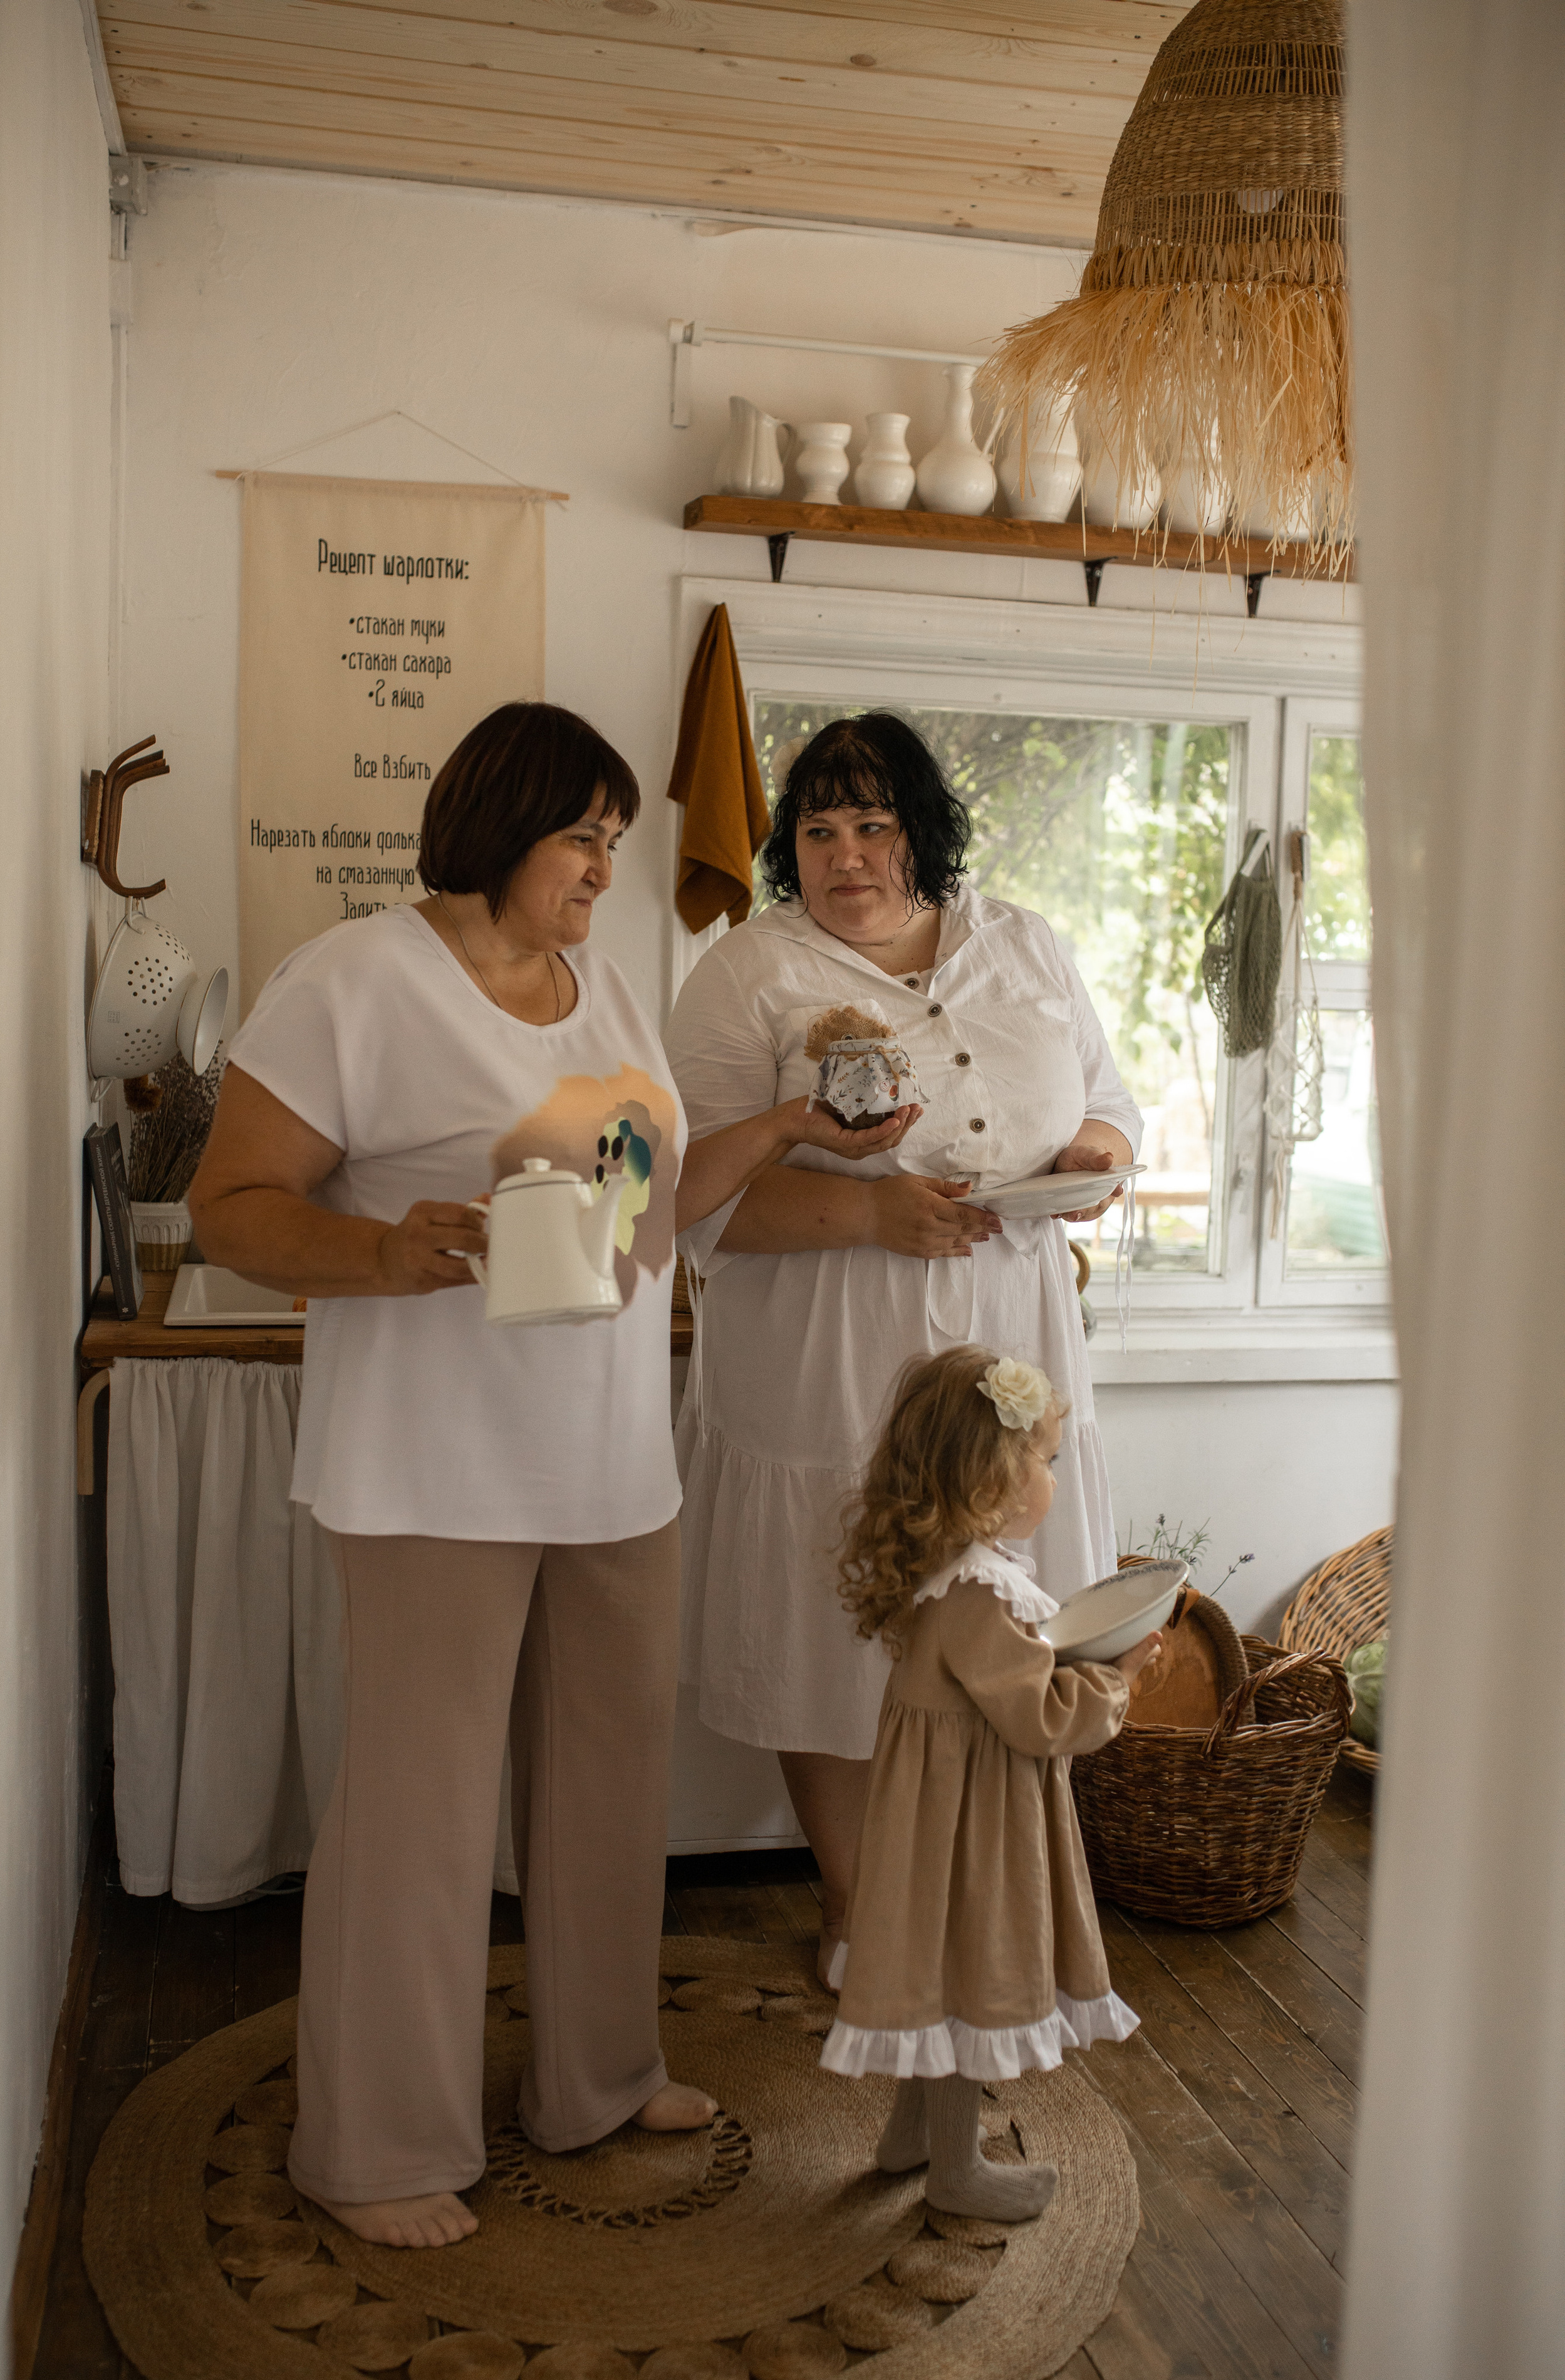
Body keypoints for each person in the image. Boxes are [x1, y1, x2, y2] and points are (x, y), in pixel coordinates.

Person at [189, 701, 907, 2250]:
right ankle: (375, 2145)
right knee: (419, 1817)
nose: (601, 868)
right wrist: (382, 1253)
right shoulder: (355, 981)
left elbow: (653, 1204)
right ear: (496, 823)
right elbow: (232, 1208)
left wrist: (786, 1127)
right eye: (582, 837)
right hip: (431, 1472)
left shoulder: (603, 988)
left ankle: (593, 2077)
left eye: (613, 844)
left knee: (601, 1794)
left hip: (608, 1462)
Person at [664, 712, 1141, 1987]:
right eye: (816, 831)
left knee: (996, 1607)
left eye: (873, 824)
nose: (847, 857)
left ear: (922, 833)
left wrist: (1091, 1161)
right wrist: (867, 1210)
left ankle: (979, 1897)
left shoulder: (1023, 944)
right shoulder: (743, 976)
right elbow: (686, 1200)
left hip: (1009, 1329)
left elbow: (1106, 1104)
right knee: (830, 1620)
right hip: (828, 1346)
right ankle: (852, 1905)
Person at [819, 1346, 1160, 2221]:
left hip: (948, 1818)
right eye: (1043, 1461)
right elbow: (1040, 1719)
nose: (1052, 1475)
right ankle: (958, 2169)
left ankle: (911, 2134)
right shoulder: (981, 1599)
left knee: (940, 1980)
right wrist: (1117, 1681)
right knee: (971, 1975)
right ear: (995, 1481)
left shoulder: (963, 1581)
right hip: (970, 1831)